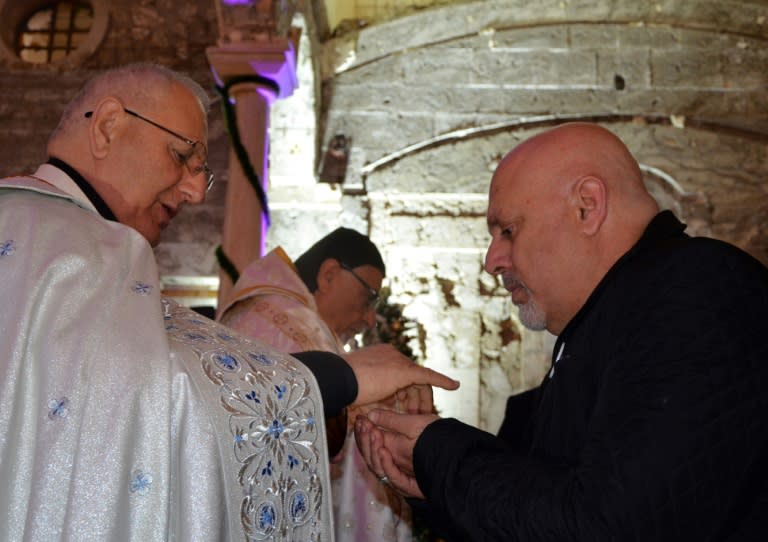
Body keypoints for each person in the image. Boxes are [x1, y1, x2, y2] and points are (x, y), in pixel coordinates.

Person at [0, 63, 458, 541]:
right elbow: (162, 407)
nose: (196, 192)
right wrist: (341, 378)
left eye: (203, 173)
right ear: (109, 126)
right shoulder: (71, 245)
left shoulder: (37, 231)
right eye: (183, 157)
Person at [354, 122, 768, 541]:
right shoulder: (610, 318)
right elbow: (543, 502)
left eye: (508, 231)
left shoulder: (696, 288)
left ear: (587, 206)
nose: (492, 260)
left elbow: (610, 527)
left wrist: (439, 453)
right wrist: (428, 479)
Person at [218, 228, 415, 542]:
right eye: (369, 298)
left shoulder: (259, 312)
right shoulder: (297, 325)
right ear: (329, 275)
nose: (370, 319)